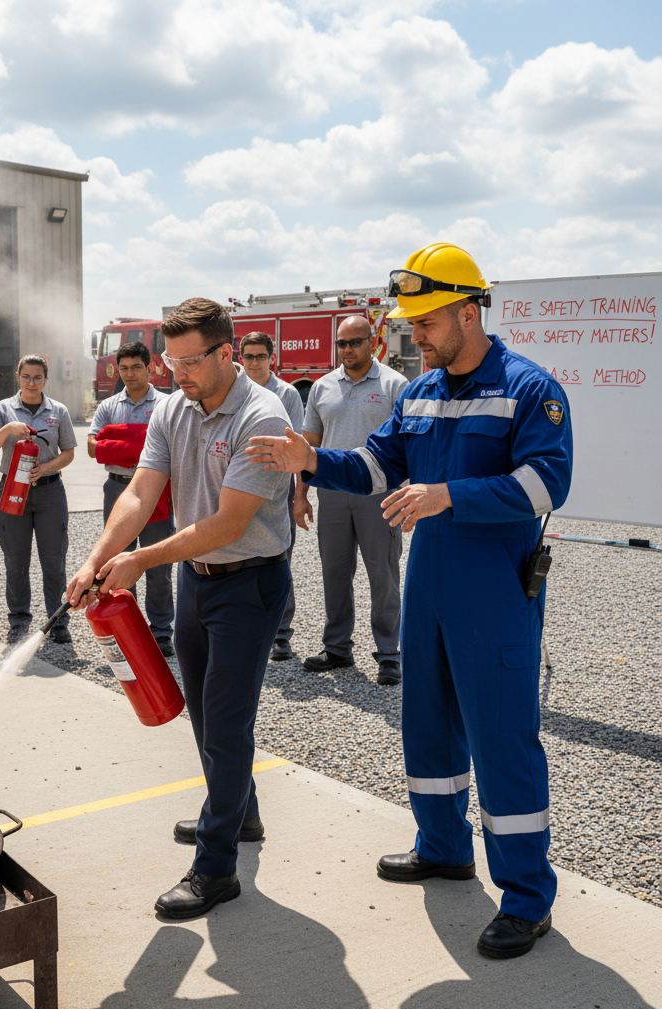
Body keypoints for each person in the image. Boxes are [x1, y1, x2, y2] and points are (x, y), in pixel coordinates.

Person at [247, 243, 573, 960]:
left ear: (466, 310)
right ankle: (444, 846)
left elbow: (550, 484)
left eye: (425, 322)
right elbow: (373, 464)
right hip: (427, 585)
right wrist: (310, 461)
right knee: (427, 725)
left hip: (494, 594)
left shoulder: (528, 387)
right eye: (411, 324)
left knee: (502, 741)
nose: (414, 335)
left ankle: (526, 899)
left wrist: (447, 495)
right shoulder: (422, 391)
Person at [66, 297, 292, 920]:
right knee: (202, 713)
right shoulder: (174, 406)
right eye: (171, 361)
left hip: (249, 584)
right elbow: (141, 491)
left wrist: (141, 561)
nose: (176, 373)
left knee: (224, 720)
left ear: (227, 353)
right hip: (198, 582)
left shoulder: (262, 417)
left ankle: (215, 868)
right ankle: (238, 813)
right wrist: (98, 557)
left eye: (190, 362)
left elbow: (228, 522)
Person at [295, 315, 408, 684]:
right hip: (333, 495)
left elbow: (410, 445)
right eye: (342, 344)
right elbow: (309, 446)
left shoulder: (395, 385)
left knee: (384, 575)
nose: (347, 350)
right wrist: (301, 495)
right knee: (334, 574)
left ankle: (389, 653)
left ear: (372, 343)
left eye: (355, 342)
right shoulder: (323, 387)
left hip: (381, 496)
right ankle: (337, 648)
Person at [88, 339, 175, 657]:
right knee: (116, 563)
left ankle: (162, 631)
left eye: (136, 367)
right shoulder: (107, 407)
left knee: (157, 562)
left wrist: (119, 438)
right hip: (118, 488)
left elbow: (172, 448)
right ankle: (128, 629)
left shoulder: (167, 404)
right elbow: (92, 447)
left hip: (157, 490)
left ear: (150, 368)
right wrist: (141, 440)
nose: (129, 373)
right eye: (123, 368)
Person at [0, 355, 77, 645]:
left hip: (48, 492)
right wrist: (9, 429)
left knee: (53, 560)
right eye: (26, 377)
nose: (31, 383)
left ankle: (57, 622)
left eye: (37, 378)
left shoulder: (57, 411)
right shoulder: (3, 409)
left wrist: (45, 468)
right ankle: (19, 622)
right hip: (13, 491)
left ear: (45, 380)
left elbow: (69, 452)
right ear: (17, 376)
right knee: (16, 560)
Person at [239, 331, 303, 661]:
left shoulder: (288, 395)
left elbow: (297, 447)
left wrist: (299, 496)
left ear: (271, 358)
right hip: (237, 485)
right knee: (240, 558)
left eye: (259, 356)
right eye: (247, 356)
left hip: (277, 488)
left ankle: (281, 635)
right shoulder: (232, 392)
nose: (253, 362)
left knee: (278, 558)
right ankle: (248, 629)